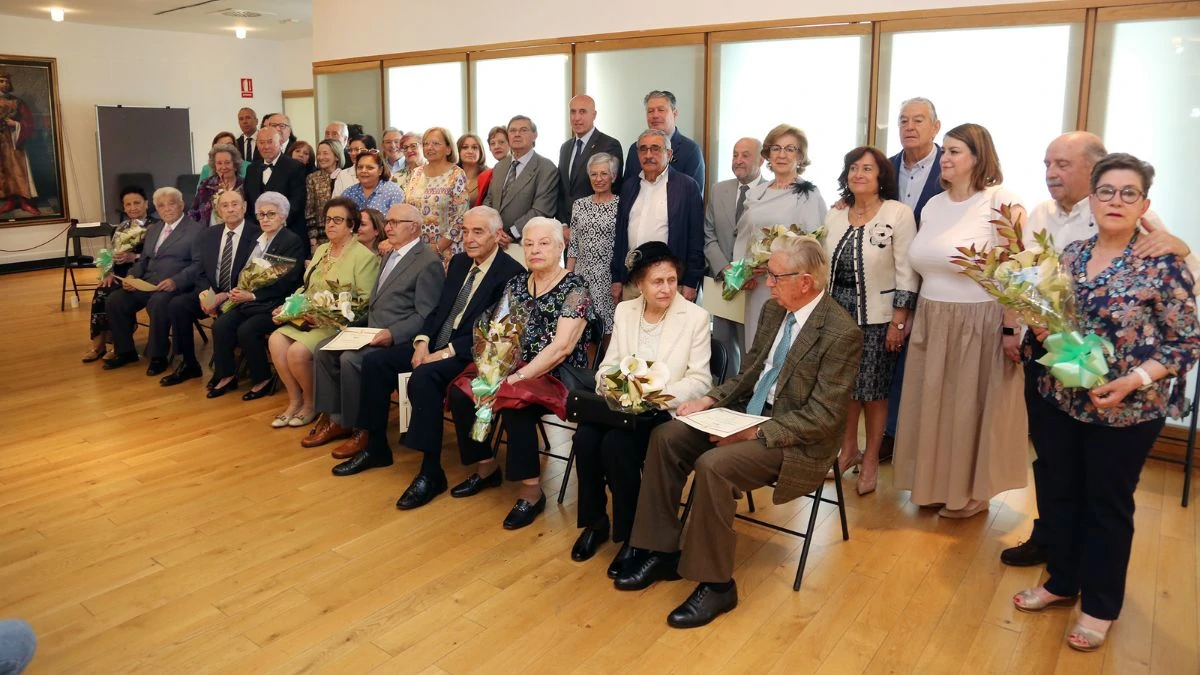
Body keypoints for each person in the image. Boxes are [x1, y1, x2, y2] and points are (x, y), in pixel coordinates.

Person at [613, 235, 862, 629]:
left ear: (807, 282)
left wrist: (752, 433)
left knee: (715, 465)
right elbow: (749, 375)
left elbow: (824, 417)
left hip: (794, 436)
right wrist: (710, 401)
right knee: (668, 437)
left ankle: (716, 584)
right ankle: (661, 550)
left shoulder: (841, 332)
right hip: (744, 414)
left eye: (777, 277)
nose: (768, 284)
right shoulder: (774, 311)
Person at [1011, 153, 1200, 652]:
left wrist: (1134, 379)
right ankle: (1061, 581)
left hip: (1128, 409)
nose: (1116, 201)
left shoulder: (1164, 262)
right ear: (1091, 199)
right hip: (1061, 398)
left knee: (1106, 505)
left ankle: (1100, 605)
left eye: (1128, 192)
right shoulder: (1070, 254)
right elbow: (1054, 319)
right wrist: (1037, 325)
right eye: (1107, 191)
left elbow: (1185, 343)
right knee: (1060, 492)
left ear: (1145, 204)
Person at [893, 122, 1028, 519]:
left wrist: (1010, 327)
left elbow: (1017, 272)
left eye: (954, 151)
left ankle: (973, 492)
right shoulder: (933, 205)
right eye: (945, 151)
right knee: (933, 406)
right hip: (933, 317)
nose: (945, 158)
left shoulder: (1000, 201)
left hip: (980, 320)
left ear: (977, 157)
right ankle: (935, 485)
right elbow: (920, 266)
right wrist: (912, 316)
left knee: (970, 409)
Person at [360, 206, 524, 501]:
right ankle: (375, 447)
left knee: (423, 377)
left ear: (497, 235)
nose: (469, 238)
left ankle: (430, 470)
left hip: (472, 353)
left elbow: (495, 334)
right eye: (465, 231)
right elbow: (440, 309)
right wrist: (422, 341)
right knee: (375, 363)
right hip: (437, 341)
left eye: (478, 232)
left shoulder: (512, 273)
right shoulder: (460, 262)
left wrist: (444, 352)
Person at [571, 241, 712, 574]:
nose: (666, 288)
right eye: (656, 282)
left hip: (661, 409)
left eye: (671, 280)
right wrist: (620, 388)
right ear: (639, 284)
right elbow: (607, 367)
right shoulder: (625, 311)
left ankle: (631, 536)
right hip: (622, 404)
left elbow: (700, 381)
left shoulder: (695, 317)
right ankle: (595, 523)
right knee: (585, 438)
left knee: (617, 445)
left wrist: (652, 393)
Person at [445, 218, 593, 529]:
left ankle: (531, 491)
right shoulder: (515, 284)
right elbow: (499, 331)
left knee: (515, 406)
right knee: (464, 392)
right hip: (513, 365)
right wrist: (492, 367)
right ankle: (486, 467)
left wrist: (515, 379)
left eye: (544, 243)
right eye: (529, 244)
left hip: (556, 373)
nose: (535, 250)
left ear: (560, 246)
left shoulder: (577, 288)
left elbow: (561, 348)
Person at [306, 203, 446, 474]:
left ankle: (363, 431)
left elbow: (426, 315)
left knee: (351, 360)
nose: (388, 227)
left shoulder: (427, 261)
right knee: (324, 348)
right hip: (371, 329)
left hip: (401, 340)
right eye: (388, 221)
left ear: (414, 227)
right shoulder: (390, 253)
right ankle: (339, 419)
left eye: (395, 222)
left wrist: (393, 334)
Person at [823, 146, 918, 495]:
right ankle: (847, 451)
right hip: (838, 314)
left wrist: (899, 320)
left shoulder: (898, 213)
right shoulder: (835, 213)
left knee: (874, 392)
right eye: (853, 168)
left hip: (879, 318)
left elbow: (907, 271)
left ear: (881, 177)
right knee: (846, 388)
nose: (858, 174)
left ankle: (871, 458)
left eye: (867, 169)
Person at [267, 197, 381, 428]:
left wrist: (325, 315)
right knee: (275, 340)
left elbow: (364, 303)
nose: (330, 225)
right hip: (308, 318)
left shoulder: (364, 257)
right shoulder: (321, 249)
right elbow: (307, 287)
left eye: (337, 220)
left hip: (336, 324)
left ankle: (311, 405)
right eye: (328, 220)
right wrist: (288, 307)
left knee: (297, 352)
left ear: (351, 225)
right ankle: (294, 400)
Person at [881, 96, 945, 460]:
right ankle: (890, 433)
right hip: (890, 276)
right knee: (890, 356)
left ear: (935, 126)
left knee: (922, 361)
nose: (909, 127)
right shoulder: (886, 169)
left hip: (935, 278)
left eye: (918, 120)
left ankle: (921, 438)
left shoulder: (947, 168)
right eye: (903, 120)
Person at [731, 124, 828, 349]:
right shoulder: (756, 193)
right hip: (757, 285)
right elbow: (743, 238)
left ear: (800, 156)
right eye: (776, 148)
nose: (782, 155)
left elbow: (815, 246)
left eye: (790, 149)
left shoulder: (809, 194)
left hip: (791, 285)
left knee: (785, 348)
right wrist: (742, 272)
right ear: (767, 155)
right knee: (756, 346)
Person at [207, 191, 306, 400]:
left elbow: (287, 282)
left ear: (283, 216)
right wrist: (235, 290)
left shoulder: (292, 241)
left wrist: (251, 296)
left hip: (277, 303)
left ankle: (262, 378)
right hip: (249, 301)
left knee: (247, 329)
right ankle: (225, 375)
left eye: (271, 214)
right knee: (221, 325)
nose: (265, 219)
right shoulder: (256, 239)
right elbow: (243, 271)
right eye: (261, 215)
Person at [162, 189, 262, 387]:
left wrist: (224, 296)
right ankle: (188, 363)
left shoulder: (257, 235)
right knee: (178, 305)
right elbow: (199, 269)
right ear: (218, 211)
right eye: (225, 205)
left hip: (237, 295)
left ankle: (226, 371)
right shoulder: (208, 234)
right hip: (211, 291)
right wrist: (207, 296)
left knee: (225, 319)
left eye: (235, 204)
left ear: (244, 207)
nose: (230, 209)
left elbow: (255, 276)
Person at [102, 187, 203, 374]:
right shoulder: (154, 229)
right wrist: (132, 276)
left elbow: (198, 265)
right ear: (156, 208)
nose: (167, 209)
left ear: (181, 205)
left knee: (158, 303)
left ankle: (158, 356)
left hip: (175, 286)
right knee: (115, 301)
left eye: (171, 204)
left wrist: (175, 281)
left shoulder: (195, 230)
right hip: (147, 282)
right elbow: (145, 260)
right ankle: (126, 351)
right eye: (161, 206)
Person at [610, 129, 704, 305]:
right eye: (643, 149)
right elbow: (620, 235)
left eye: (655, 149)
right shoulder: (629, 187)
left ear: (669, 154)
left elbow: (696, 238)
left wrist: (691, 282)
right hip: (633, 282)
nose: (648, 155)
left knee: (670, 332)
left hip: (669, 284)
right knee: (632, 331)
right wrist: (617, 278)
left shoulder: (687, 186)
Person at [704, 137, 765, 375]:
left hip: (754, 286)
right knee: (724, 348)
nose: (738, 161)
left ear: (761, 159)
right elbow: (708, 233)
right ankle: (724, 400)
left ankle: (749, 402)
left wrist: (744, 273)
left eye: (745, 155)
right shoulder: (719, 189)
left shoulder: (771, 193)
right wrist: (727, 270)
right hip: (722, 282)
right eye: (734, 155)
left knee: (752, 349)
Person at [84, 186, 158, 363]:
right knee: (101, 291)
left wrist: (133, 257)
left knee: (114, 295)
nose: (133, 207)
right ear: (123, 207)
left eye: (137, 203)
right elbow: (109, 252)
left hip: (143, 273)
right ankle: (99, 344)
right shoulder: (122, 226)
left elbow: (156, 255)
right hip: (119, 273)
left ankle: (118, 344)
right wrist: (107, 272)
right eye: (128, 204)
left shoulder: (155, 226)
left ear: (146, 204)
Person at [482, 115, 560, 265]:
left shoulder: (546, 168)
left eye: (523, 130)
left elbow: (541, 210)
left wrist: (510, 233)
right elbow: (489, 201)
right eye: (512, 131)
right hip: (495, 244)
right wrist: (493, 233)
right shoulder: (500, 167)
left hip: (525, 247)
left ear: (534, 135)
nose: (517, 134)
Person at [566, 153, 620, 335]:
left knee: (608, 328)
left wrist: (618, 280)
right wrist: (568, 278)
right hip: (582, 277)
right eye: (594, 174)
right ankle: (589, 365)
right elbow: (573, 245)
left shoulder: (621, 205)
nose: (598, 179)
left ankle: (607, 364)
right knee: (582, 330)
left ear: (613, 176)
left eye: (604, 174)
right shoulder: (579, 205)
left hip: (608, 278)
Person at [622, 90, 704, 195]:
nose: (655, 115)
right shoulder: (635, 148)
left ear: (675, 114)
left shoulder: (690, 150)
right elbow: (627, 191)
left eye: (661, 110)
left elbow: (694, 197)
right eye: (650, 111)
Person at [405, 127, 469, 262]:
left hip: (447, 249)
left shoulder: (456, 174)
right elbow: (407, 209)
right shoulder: (416, 173)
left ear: (448, 148)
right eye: (426, 144)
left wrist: (438, 247)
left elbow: (460, 217)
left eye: (436, 143)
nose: (430, 147)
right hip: (416, 248)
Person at [557, 94, 624, 221]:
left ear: (594, 115)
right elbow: (561, 189)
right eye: (573, 112)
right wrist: (563, 224)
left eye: (582, 112)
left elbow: (613, 187)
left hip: (596, 225)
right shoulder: (565, 148)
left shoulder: (609, 144)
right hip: (566, 229)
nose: (577, 118)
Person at [243, 127, 308, 257]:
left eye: (270, 142)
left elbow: (297, 202)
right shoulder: (252, 169)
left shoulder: (294, 167)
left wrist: (276, 224)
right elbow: (249, 202)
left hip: (288, 234)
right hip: (257, 235)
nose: (265, 146)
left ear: (280, 143)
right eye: (261, 142)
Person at [0, 70, 38, 216]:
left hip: (15, 140)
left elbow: (28, 121)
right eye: (0, 81)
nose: (4, 84)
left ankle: (24, 202)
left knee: (19, 170)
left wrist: (15, 124)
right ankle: (9, 201)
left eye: (6, 81)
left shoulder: (17, 102)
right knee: (4, 172)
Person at [305, 139, 346, 250]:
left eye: (325, 153)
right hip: (321, 238)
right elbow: (309, 211)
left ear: (337, 156)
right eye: (319, 153)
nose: (321, 157)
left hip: (344, 235)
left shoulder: (346, 176)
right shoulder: (313, 178)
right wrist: (313, 240)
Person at [189, 143, 244, 225]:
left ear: (235, 164)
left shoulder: (244, 185)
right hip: (209, 232)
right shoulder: (206, 184)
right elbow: (194, 212)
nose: (223, 167)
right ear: (214, 166)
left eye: (227, 162)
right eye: (219, 163)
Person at [342, 150, 406, 215]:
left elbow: (397, 221)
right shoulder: (348, 193)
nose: (363, 171)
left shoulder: (393, 192)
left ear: (380, 170)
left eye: (370, 168)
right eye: (360, 167)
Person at [458, 133, 492, 207]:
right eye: (465, 147)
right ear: (458, 151)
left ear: (481, 151)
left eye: (474, 147)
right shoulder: (451, 176)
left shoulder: (490, 176)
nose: (470, 151)